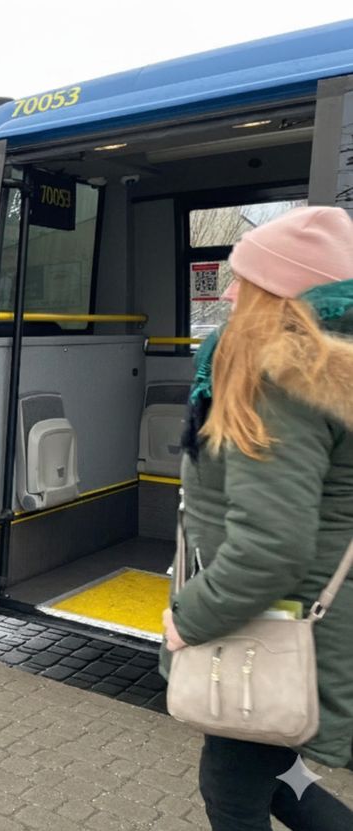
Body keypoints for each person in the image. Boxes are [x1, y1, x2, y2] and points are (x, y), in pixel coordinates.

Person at [160, 206, 353, 830]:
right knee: (279, 776)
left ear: (282, 292)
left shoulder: (282, 375)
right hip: (319, 613)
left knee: (232, 793)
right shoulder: (332, 365)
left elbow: (272, 546)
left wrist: (189, 618)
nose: (229, 292)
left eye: (244, 279)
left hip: (277, 624)